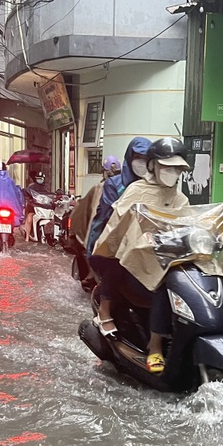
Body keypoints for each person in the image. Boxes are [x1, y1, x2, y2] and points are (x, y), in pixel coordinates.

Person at [92, 137, 191, 373]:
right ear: (153, 166)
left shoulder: (181, 198)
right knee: (159, 281)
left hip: (166, 259)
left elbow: (189, 225)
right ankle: (154, 345)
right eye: (166, 166)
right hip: (134, 263)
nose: (171, 172)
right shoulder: (135, 190)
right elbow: (114, 229)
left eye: (176, 168)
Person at [87, 136, 152, 336]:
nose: (141, 163)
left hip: (147, 243)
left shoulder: (157, 186)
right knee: (116, 258)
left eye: (146, 158)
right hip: (114, 241)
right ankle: (104, 311)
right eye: (137, 158)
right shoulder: (115, 184)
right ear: (129, 158)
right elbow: (108, 218)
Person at [22, 170, 49, 241]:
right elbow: (26, 193)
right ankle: (27, 236)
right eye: (38, 178)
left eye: (41, 179)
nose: (39, 180)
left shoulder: (46, 188)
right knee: (30, 218)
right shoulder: (31, 187)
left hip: (43, 207)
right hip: (33, 206)